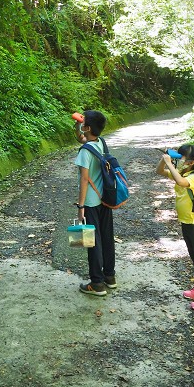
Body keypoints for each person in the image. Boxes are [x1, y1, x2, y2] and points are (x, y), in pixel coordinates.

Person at [157, 144, 194, 311]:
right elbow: (160, 172)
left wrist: (170, 163)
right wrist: (164, 161)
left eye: (181, 158)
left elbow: (181, 181)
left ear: (190, 163)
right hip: (186, 222)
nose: (178, 161)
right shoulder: (184, 172)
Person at [74, 110, 116, 296]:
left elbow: (84, 180)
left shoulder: (85, 152)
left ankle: (96, 283)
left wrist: (80, 206)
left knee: (91, 242)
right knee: (106, 237)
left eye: (84, 120)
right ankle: (109, 276)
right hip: (105, 199)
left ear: (88, 127)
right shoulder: (100, 143)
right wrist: (78, 126)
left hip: (91, 202)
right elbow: (81, 138)